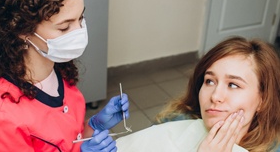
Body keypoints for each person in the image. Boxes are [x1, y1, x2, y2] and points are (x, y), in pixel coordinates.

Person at [0, 0, 129, 151]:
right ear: (22, 30)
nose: (79, 32)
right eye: (64, 28)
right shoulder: (1, 118)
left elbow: (67, 140)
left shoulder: (58, 71)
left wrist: (94, 126)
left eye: (80, 18)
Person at [116, 36, 280, 152]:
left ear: (263, 100)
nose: (215, 96)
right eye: (210, 81)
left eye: (233, 85)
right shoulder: (173, 122)